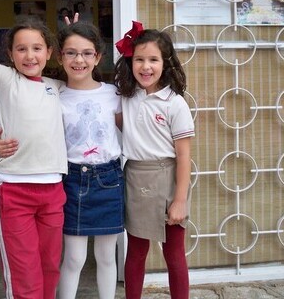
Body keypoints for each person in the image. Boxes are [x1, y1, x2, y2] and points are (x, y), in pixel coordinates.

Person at [0, 15, 68, 299]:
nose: (30, 55)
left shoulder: (58, 87)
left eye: (37, 48)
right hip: (13, 188)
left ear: (49, 53)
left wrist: (70, 36)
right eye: (21, 49)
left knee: (50, 268)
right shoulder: (4, 77)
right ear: (9, 54)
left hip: (53, 189)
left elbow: (82, 68)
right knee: (24, 273)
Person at [114, 21, 195, 299]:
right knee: (136, 250)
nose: (145, 67)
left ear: (165, 63)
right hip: (135, 177)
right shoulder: (124, 97)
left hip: (168, 178)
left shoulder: (175, 103)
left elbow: (184, 155)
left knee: (173, 253)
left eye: (153, 59)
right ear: (130, 61)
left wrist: (180, 200)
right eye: (139, 59)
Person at [56, 22, 124, 299]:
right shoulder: (54, 94)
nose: (79, 60)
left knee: (107, 256)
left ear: (98, 57)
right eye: (71, 53)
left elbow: (130, 128)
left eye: (87, 53)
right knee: (74, 258)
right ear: (59, 56)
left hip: (109, 180)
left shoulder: (113, 93)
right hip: (72, 180)